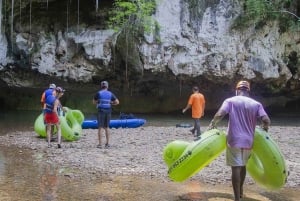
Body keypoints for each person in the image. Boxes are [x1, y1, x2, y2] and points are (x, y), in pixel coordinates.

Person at [207, 80, 271, 201]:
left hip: (234, 140)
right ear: (248, 91)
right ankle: (241, 191)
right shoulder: (256, 104)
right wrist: (265, 128)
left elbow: (220, 114)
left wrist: (212, 124)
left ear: (237, 90)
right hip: (249, 141)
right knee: (243, 165)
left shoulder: (230, 101)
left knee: (235, 167)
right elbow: (266, 120)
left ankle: (237, 198)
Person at [93, 81, 119, 148]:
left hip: (101, 111)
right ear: (107, 86)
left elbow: (94, 102)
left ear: (101, 86)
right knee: (107, 127)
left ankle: (100, 144)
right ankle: (107, 144)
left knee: (100, 127)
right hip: (108, 111)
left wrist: (98, 102)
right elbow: (117, 102)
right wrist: (111, 103)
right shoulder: (110, 94)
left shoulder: (98, 93)